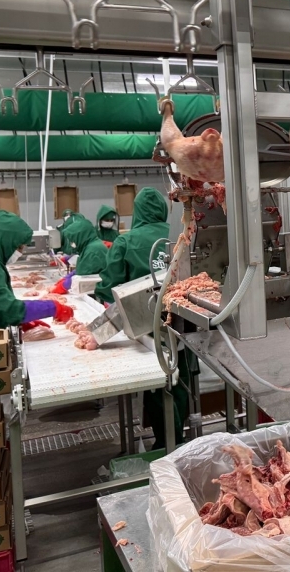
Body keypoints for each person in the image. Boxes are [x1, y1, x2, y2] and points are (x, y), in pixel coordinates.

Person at [94, 188, 189, 451]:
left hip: (146, 329)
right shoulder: (180, 235)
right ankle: (179, 440)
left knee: (157, 386)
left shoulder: (126, 242)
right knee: (180, 382)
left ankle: (167, 444)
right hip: (184, 322)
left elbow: (109, 287)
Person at [0, 211, 73, 331]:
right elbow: (4, 310)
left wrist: (22, 319)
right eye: (18, 247)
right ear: (4, 241)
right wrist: (53, 308)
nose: (20, 252)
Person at [49, 219, 110, 295]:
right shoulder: (89, 246)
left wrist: (61, 287)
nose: (72, 243)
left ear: (80, 236)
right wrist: (65, 279)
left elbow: (81, 276)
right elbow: (81, 269)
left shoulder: (93, 250)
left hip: (100, 292)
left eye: (73, 240)